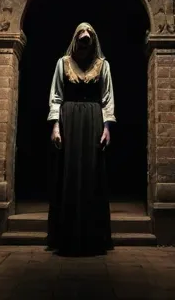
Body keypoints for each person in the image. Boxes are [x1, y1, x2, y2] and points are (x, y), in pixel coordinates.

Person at [46, 22, 115, 256]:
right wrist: (55, 126)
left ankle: (92, 235)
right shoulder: (62, 64)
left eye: (88, 38)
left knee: (91, 172)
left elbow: (107, 99)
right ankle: (65, 234)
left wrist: (107, 128)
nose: (85, 41)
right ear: (75, 39)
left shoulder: (102, 65)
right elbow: (56, 96)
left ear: (93, 41)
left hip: (93, 120)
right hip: (70, 121)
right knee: (69, 171)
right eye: (81, 37)